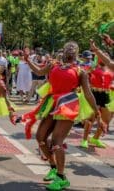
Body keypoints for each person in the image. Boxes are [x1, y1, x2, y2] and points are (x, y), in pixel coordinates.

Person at [20, 42, 103, 191]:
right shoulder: (53, 64)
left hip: (68, 105)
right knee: (40, 137)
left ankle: (61, 177)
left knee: (57, 141)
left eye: (74, 48)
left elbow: (88, 94)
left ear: (76, 53)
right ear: (63, 51)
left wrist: (97, 114)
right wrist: (28, 60)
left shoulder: (80, 72)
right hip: (52, 103)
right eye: (68, 47)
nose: (70, 49)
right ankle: (53, 167)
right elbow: (39, 72)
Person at [81, 57, 113, 148]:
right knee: (91, 119)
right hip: (94, 94)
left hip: (106, 94)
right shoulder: (92, 68)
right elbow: (83, 76)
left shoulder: (111, 69)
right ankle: (84, 140)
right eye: (101, 57)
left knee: (106, 120)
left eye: (105, 57)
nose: (103, 59)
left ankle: (96, 138)